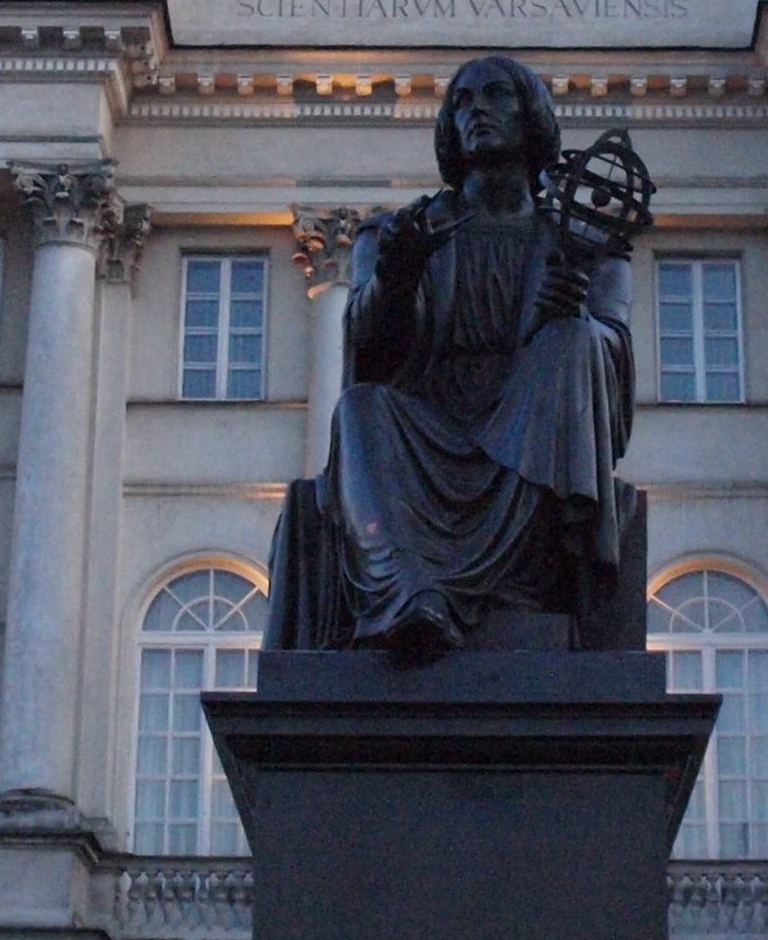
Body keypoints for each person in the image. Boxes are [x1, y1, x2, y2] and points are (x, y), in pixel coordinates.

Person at [269, 53, 641, 656]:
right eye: (463, 103)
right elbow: (368, 357)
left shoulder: (583, 244)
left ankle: (520, 580)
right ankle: (409, 594)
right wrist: (395, 277)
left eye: (497, 97)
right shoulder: (401, 233)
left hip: (531, 440)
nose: (477, 113)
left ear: (533, 119)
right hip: (428, 434)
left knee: (573, 342)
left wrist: (571, 315)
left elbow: (612, 355)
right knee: (361, 410)